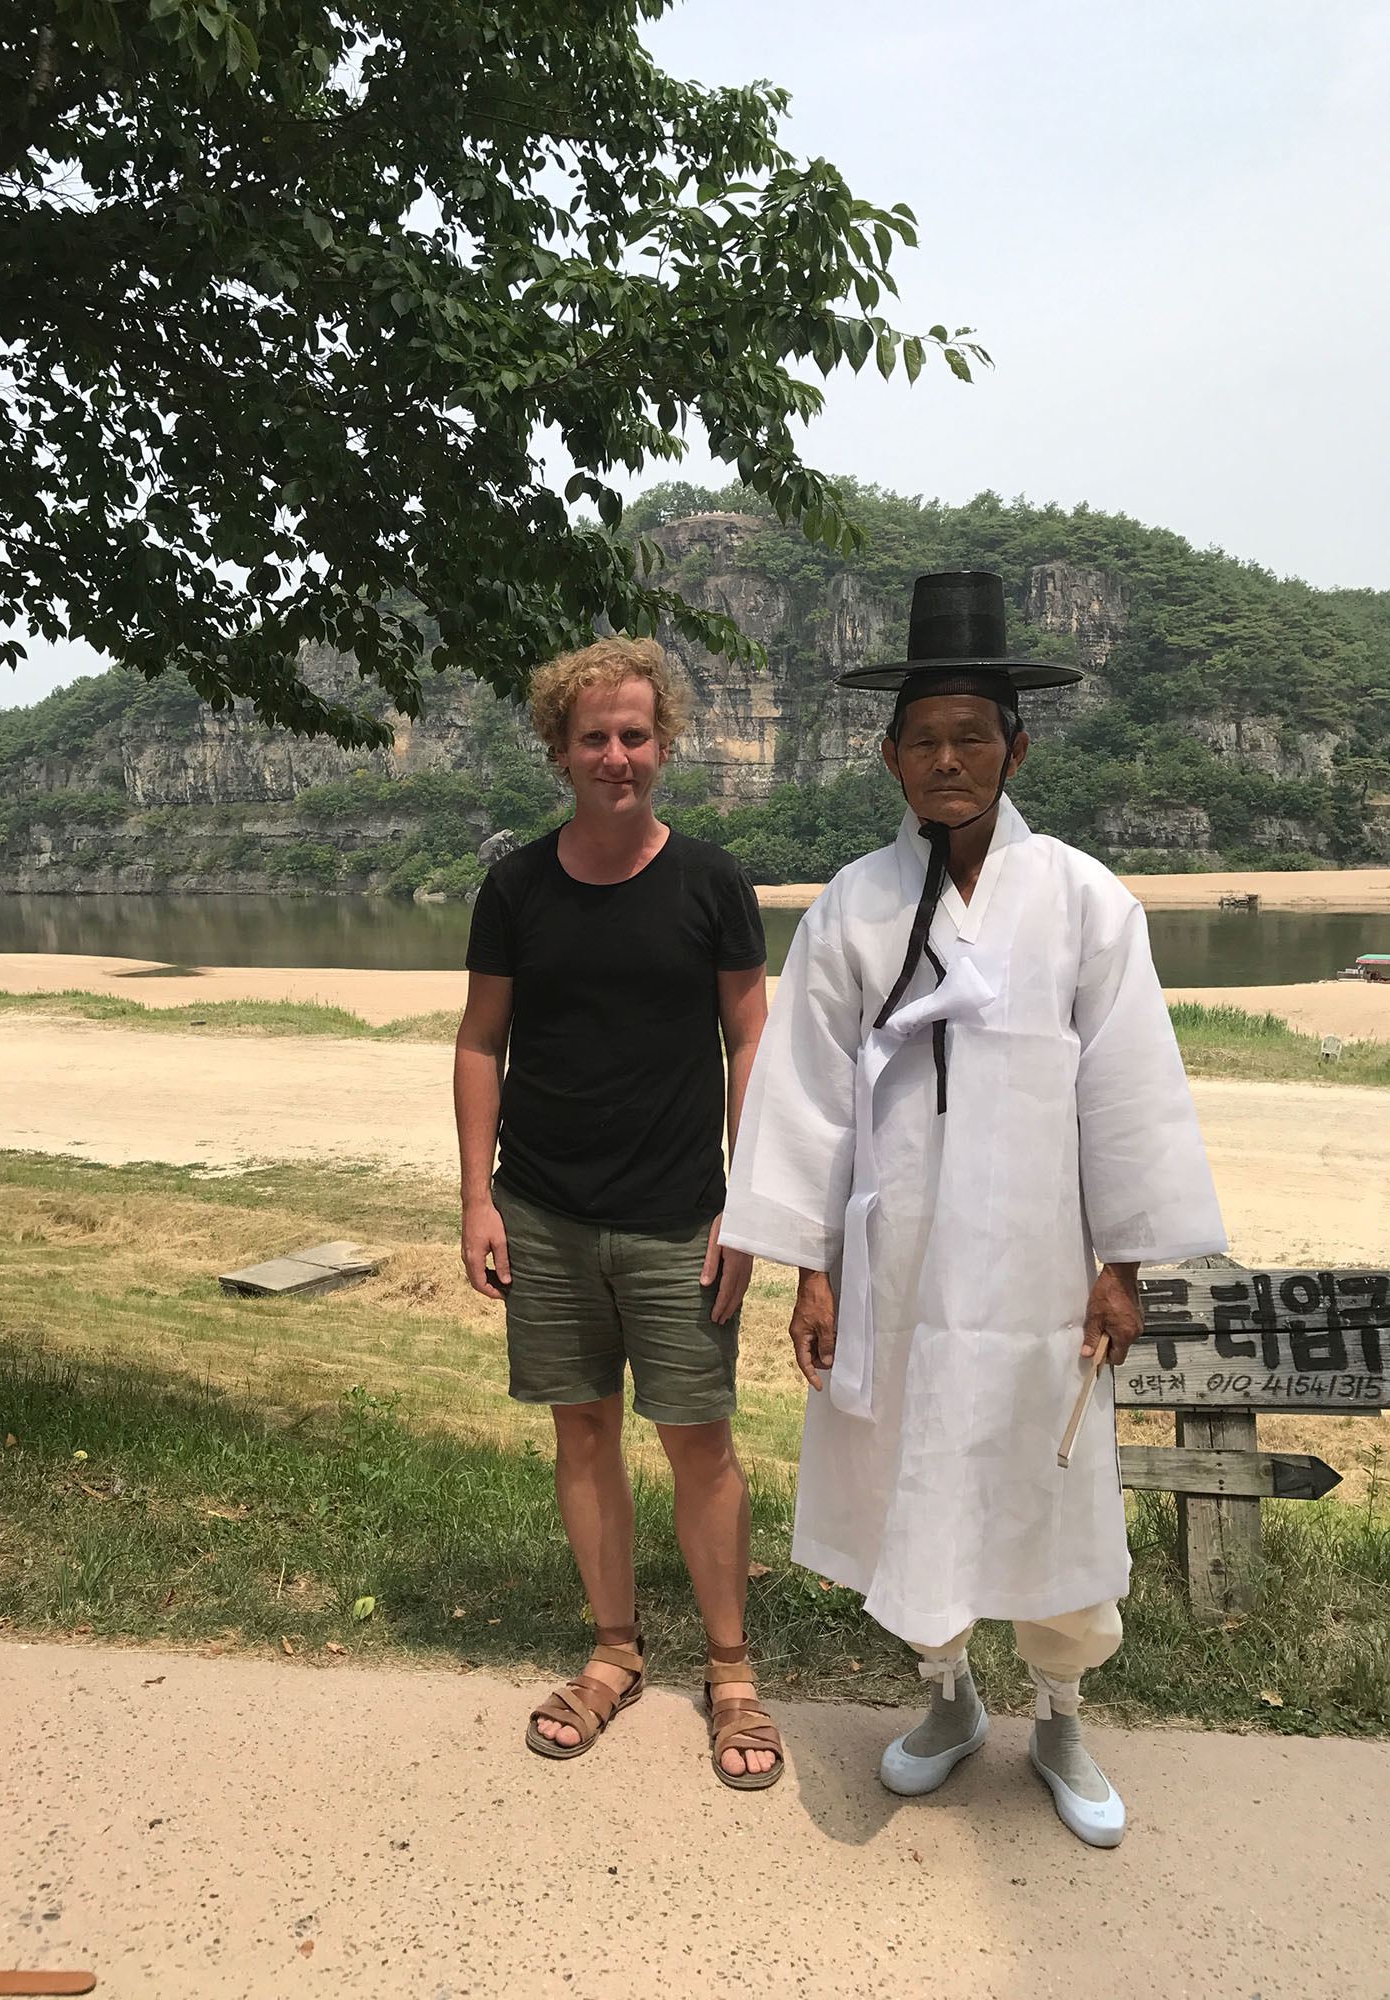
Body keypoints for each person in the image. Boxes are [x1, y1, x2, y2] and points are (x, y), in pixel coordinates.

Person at [718, 571, 1227, 1846]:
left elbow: (1129, 1090)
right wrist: (812, 1267)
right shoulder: (853, 907)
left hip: (1041, 1267)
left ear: (1016, 747)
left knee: (1050, 1471)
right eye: (925, 738)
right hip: (900, 1265)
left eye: (973, 736)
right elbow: (805, 1099)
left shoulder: (1087, 902)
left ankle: (1058, 1708)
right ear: (890, 754)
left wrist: (1127, 1261)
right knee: (914, 1469)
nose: (948, 759)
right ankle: (945, 1694)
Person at [454, 635, 783, 1789]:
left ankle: (732, 1673)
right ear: (559, 748)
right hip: (543, 1210)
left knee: (699, 1440)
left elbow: (750, 1038)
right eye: (592, 735)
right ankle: (612, 1653)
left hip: (680, 1213)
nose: (615, 754)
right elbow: (480, 1039)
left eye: (635, 733)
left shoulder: (710, 881)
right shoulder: (518, 885)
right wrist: (475, 1194)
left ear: (664, 742)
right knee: (580, 1430)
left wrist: (751, 1203)